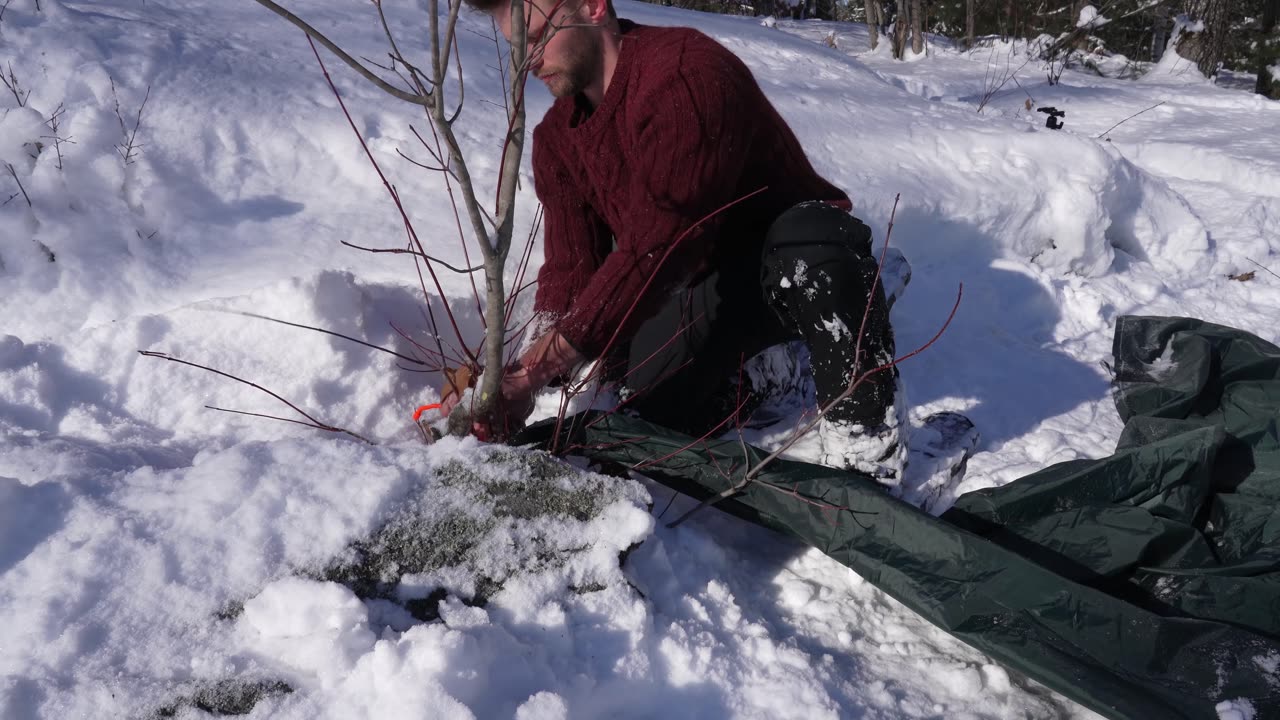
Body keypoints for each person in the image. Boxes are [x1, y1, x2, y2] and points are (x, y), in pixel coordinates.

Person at [446, 0, 907, 482]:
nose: (530, 59)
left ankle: (870, 442)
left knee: (809, 242)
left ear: (593, 6)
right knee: (639, 402)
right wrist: (521, 373)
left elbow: (663, 241)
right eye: (518, 47)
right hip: (696, 285)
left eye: (539, 35)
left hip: (777, 264)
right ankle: (763, 374)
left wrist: (539, 369)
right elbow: (571, 273)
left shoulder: (685, 73)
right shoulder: (557, 140)